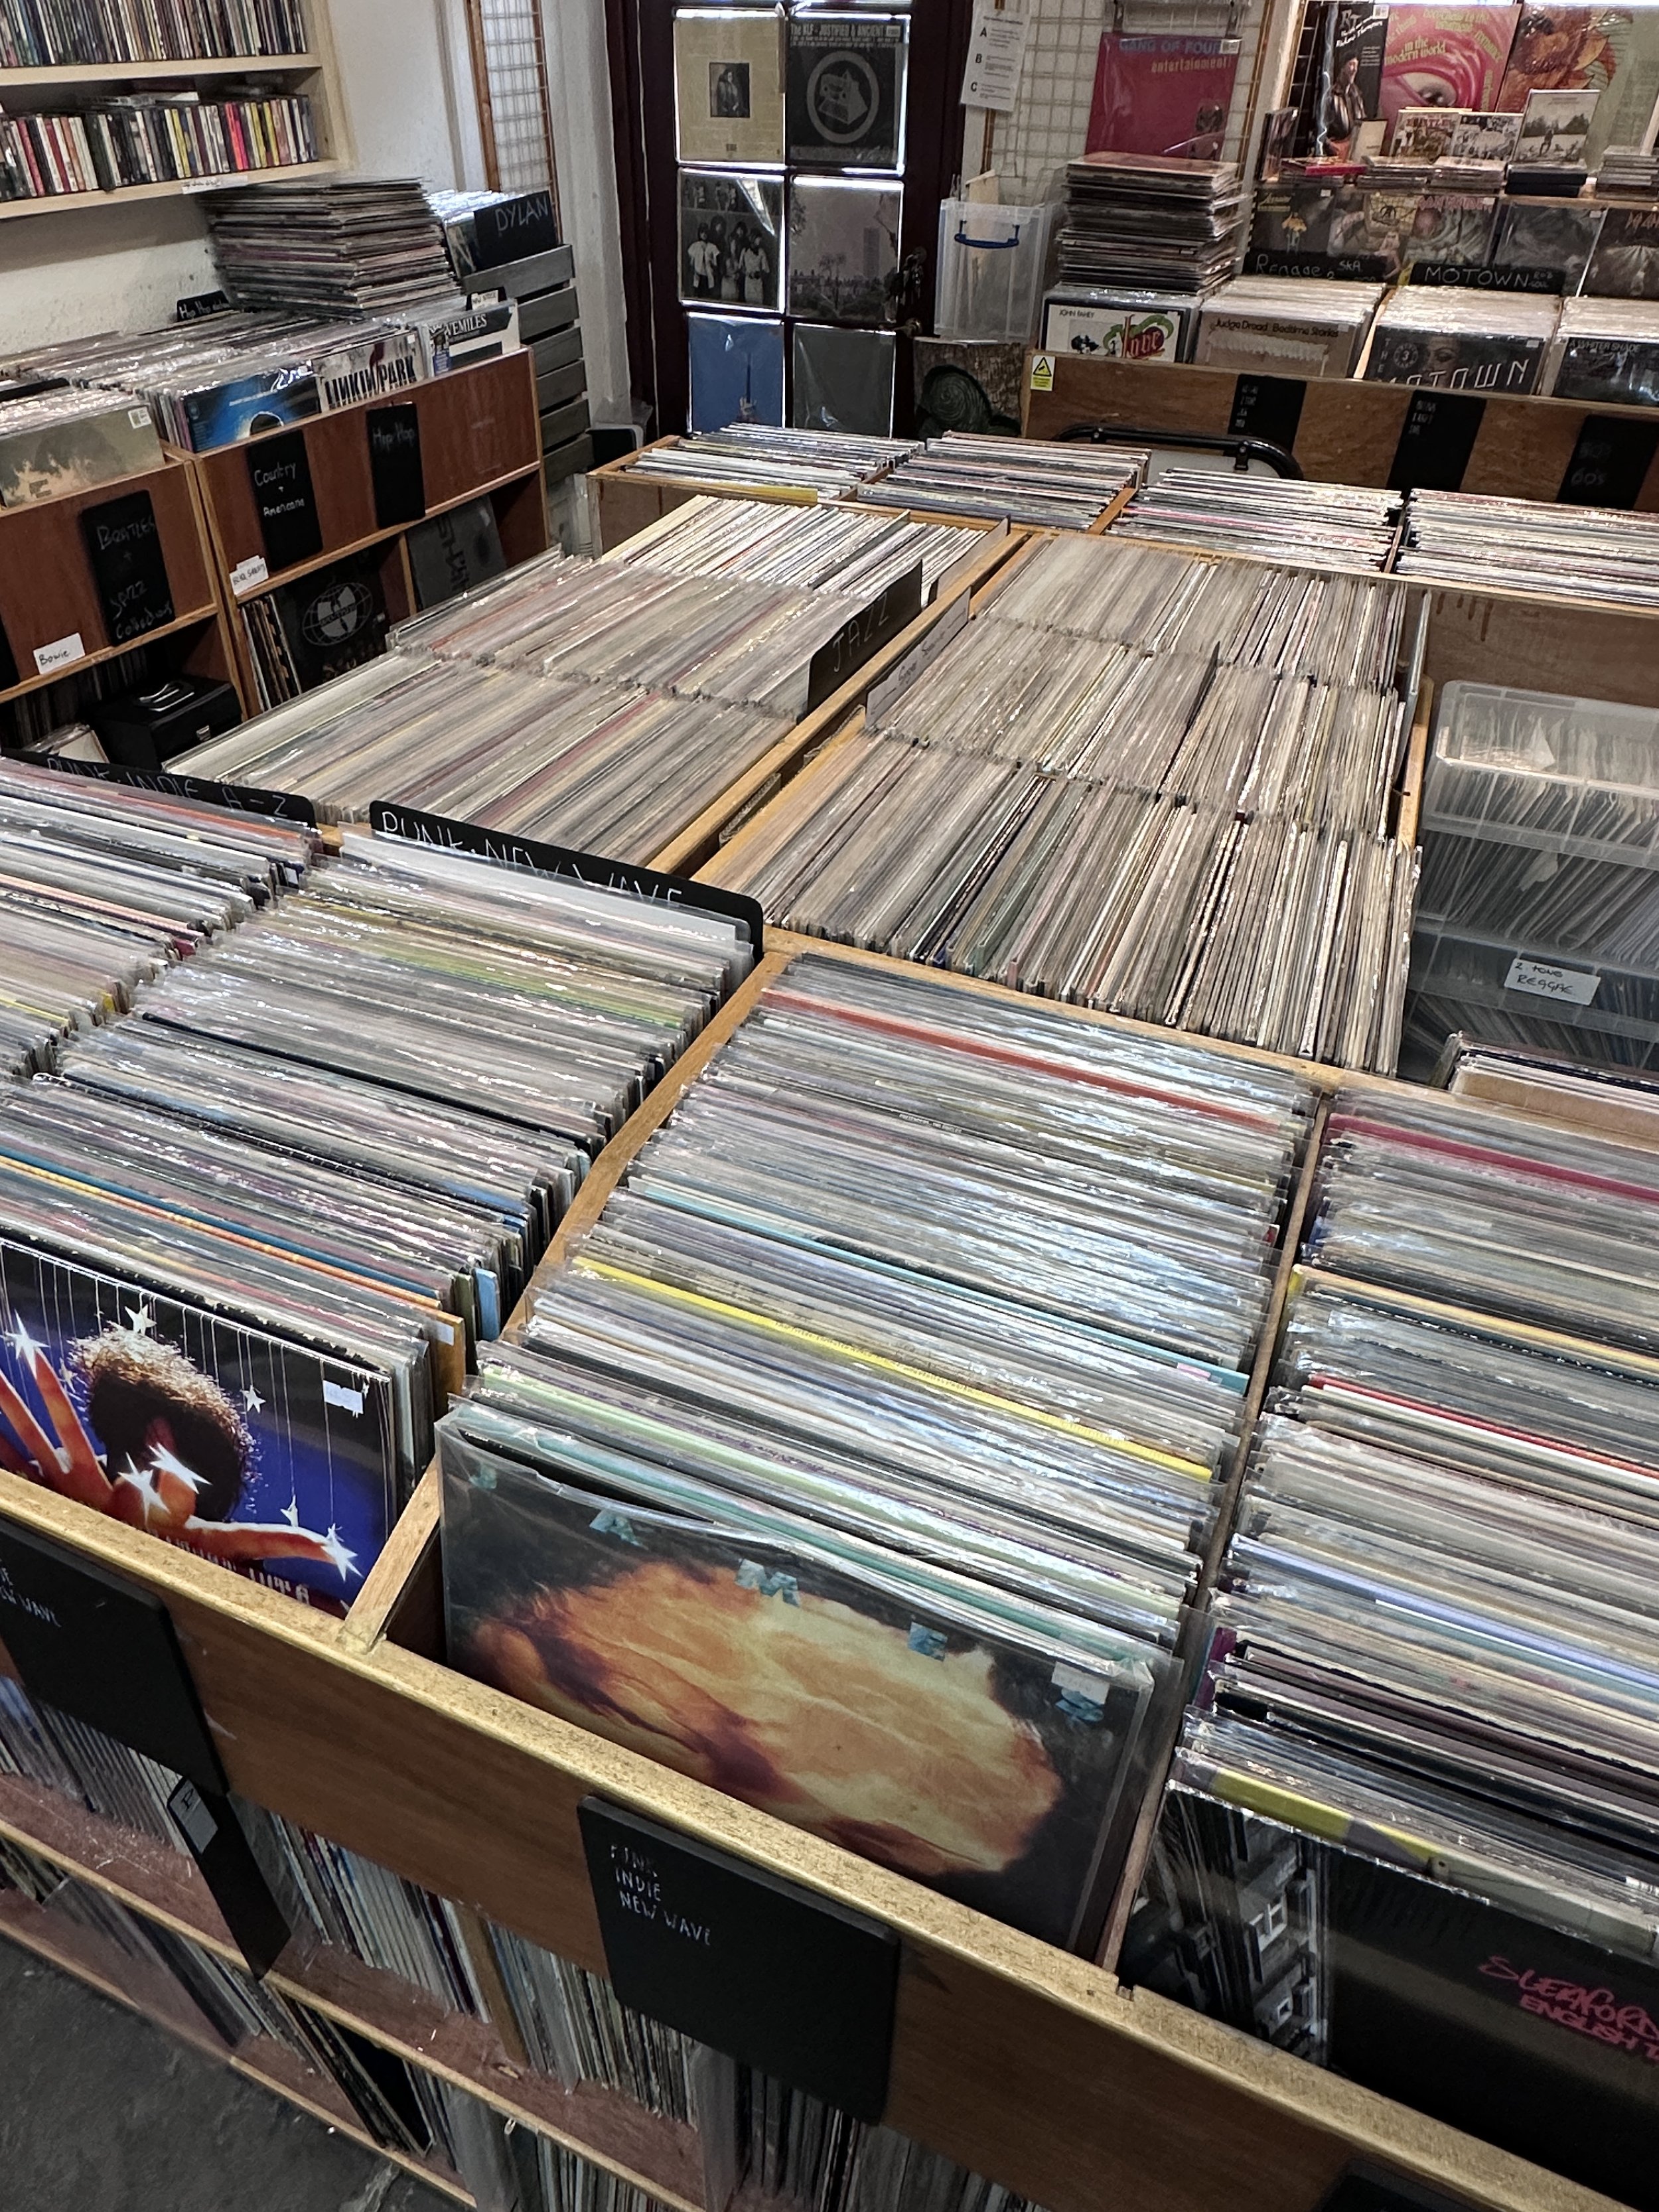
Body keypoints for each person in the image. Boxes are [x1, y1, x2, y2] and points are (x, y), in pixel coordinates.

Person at [687, 220, 719, 297]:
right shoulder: (695, 246)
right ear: (699, 233)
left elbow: (715, 264)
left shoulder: (712, 247)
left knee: (708, 295)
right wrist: (694, 273)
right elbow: (691, 263)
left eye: (706, 232)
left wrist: (712, 266)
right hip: (698, 275)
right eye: (702, 232)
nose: (704, 234)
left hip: (708, 276)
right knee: (698, 294)